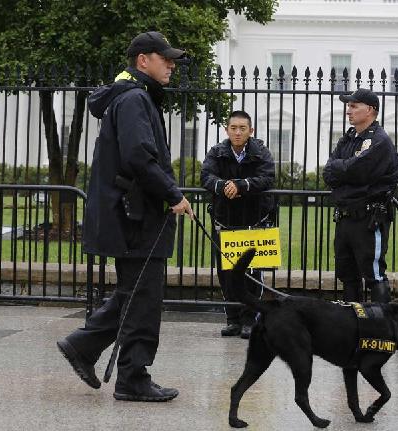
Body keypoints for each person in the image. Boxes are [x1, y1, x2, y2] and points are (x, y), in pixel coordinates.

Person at [56, 31, 193, 402]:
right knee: (143, 298)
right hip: (136, 216)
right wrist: (173, 194)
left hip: (133, 214)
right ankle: (132, 378)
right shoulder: (134, 99)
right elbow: (139, 157)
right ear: (142, 60)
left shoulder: (135, 96)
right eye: (165, 59)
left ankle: (83, 346)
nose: (171, 66)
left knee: (135, 293)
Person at [200, 110, 275, 338]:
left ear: (251, 131)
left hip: (255, 221)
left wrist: (242, 185)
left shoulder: (261, 152)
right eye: (234, 128)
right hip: (226, 221)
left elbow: (267, 177)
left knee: (252, 273)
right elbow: (206, 176)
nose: (238, 132)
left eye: (243, 128)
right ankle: (232, 319)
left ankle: (250, 320)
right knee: (226, 273)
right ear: (227, 130)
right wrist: (223, 186)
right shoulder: (217, 152)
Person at [323, 88, 398, 303]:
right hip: (345, 217)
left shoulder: (380, 141)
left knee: (373, 273)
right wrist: (346, 170)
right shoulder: (348, 139)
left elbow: (359, 171)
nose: (349, 110)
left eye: (354, 106)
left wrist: (345, 171)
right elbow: (329, 172)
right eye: (348, 106)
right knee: (347, 274)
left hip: (369, 219)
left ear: (370, 110)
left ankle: (382, 326)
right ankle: (353, 323)